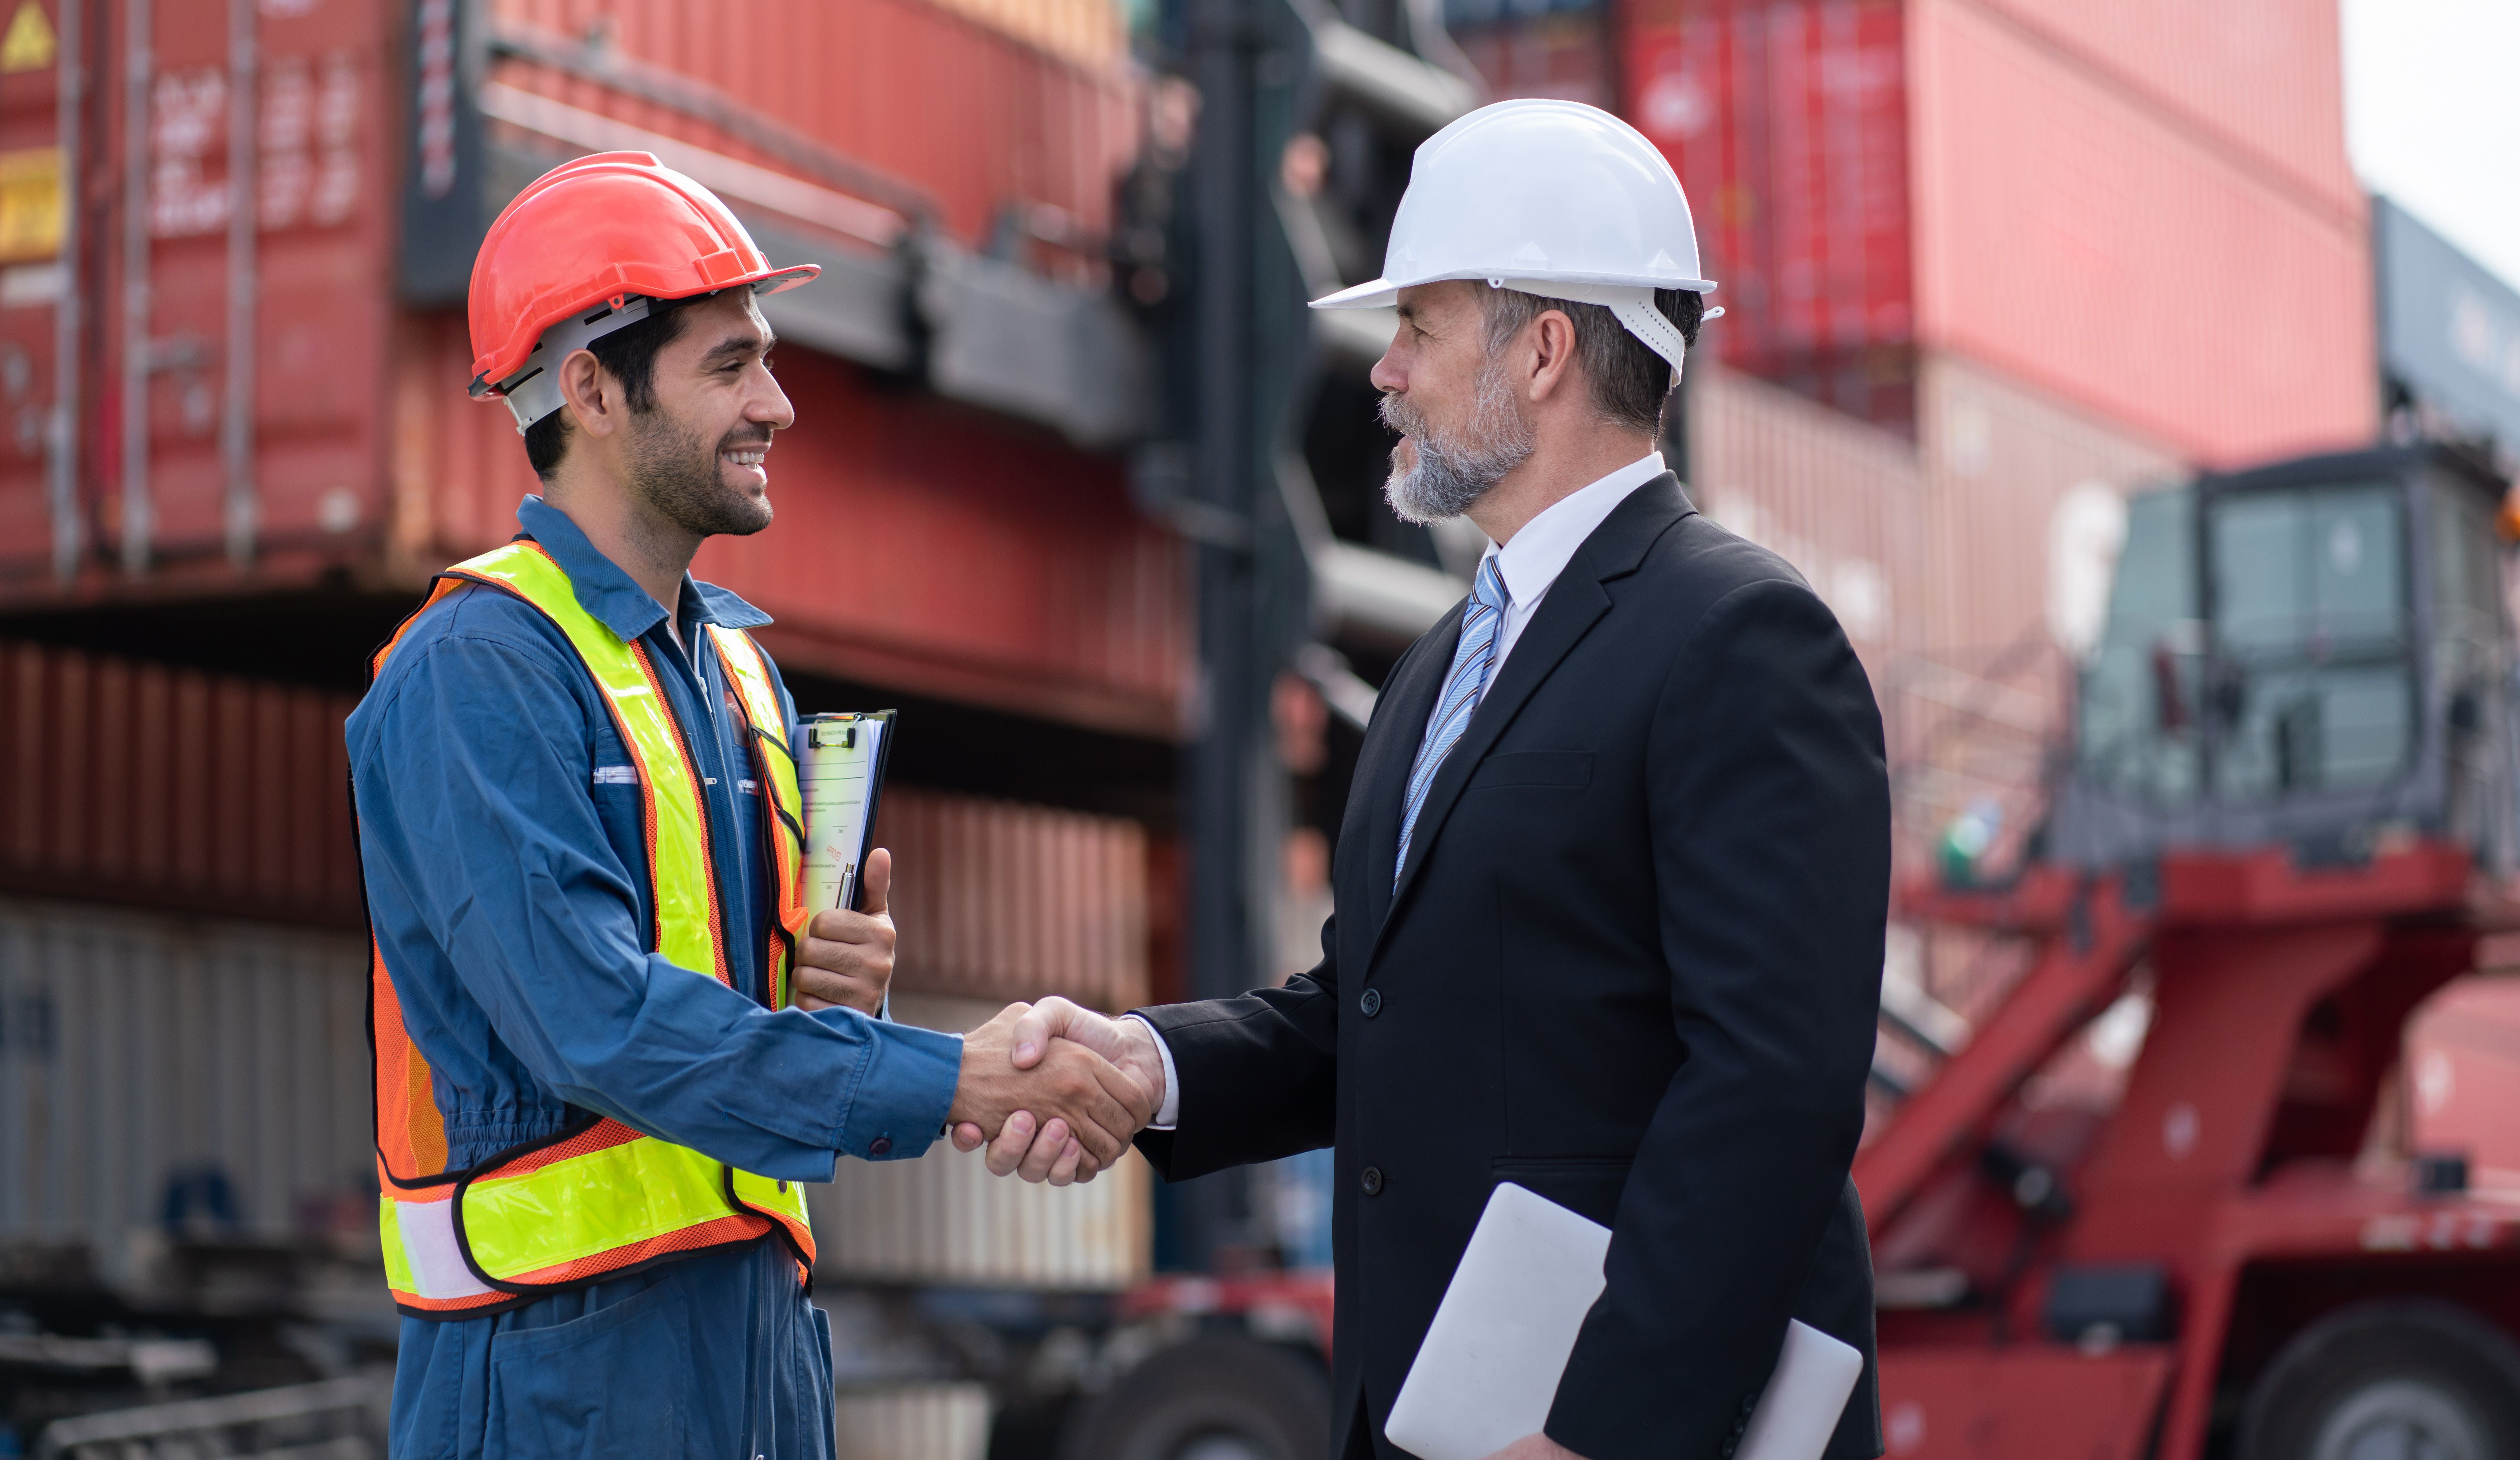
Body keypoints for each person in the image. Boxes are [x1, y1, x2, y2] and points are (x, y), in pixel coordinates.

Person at [975, 100, 1892, 1460]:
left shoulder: (1739, 637)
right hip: (1433, 1419)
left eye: (1418, 328)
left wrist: (1605, 1431)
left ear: (1540, 351)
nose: (1382, 372)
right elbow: (1373, 1013)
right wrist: (1146, 1066)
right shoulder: (1441, 662)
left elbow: (1771, 1085)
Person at [350, 151, 1151, 1459]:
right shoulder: (471, 674)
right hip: (555, 1373)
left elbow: (746, 1026)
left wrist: (842, 993)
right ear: (594, 389)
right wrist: (949, 1074)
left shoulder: (740, 675)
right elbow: (595, 1022)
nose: (778, 404)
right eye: (729, 366)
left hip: (757, 1349)